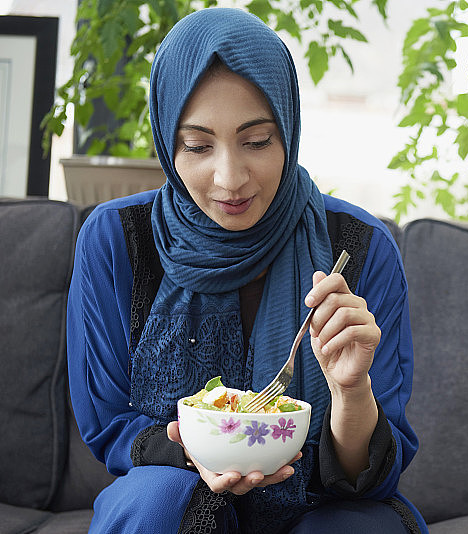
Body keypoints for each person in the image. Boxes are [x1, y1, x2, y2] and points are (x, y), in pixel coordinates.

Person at [66, 7, 426, 533]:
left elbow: (369, 475)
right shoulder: (117, 240)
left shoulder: (361, 246)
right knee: (156, 502)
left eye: (257, 141)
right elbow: (112, 425)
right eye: (197, 146)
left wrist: (351, 393)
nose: (230, 178)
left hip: (321, 508)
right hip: (172, 493)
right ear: (168, 143)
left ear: (288, 130)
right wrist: (191, 452)